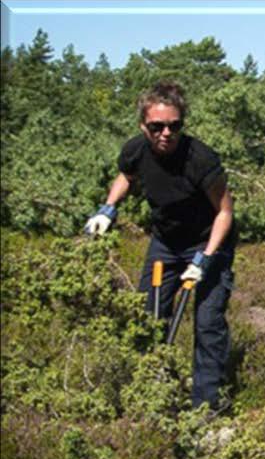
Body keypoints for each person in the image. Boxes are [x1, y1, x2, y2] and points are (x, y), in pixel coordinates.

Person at [84, 81, 236, 409]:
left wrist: (205, 259)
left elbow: (225, 212)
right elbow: (127, 175)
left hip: (209, 241)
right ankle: (150, 393)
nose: (166, 133)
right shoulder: (136, 150)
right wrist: (108, 208)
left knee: (207, 322)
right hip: (166, 243)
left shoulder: (200, 159)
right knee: (149, 315)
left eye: (174, 126)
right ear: (144, 126)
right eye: (157, 126)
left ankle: (207, 407)